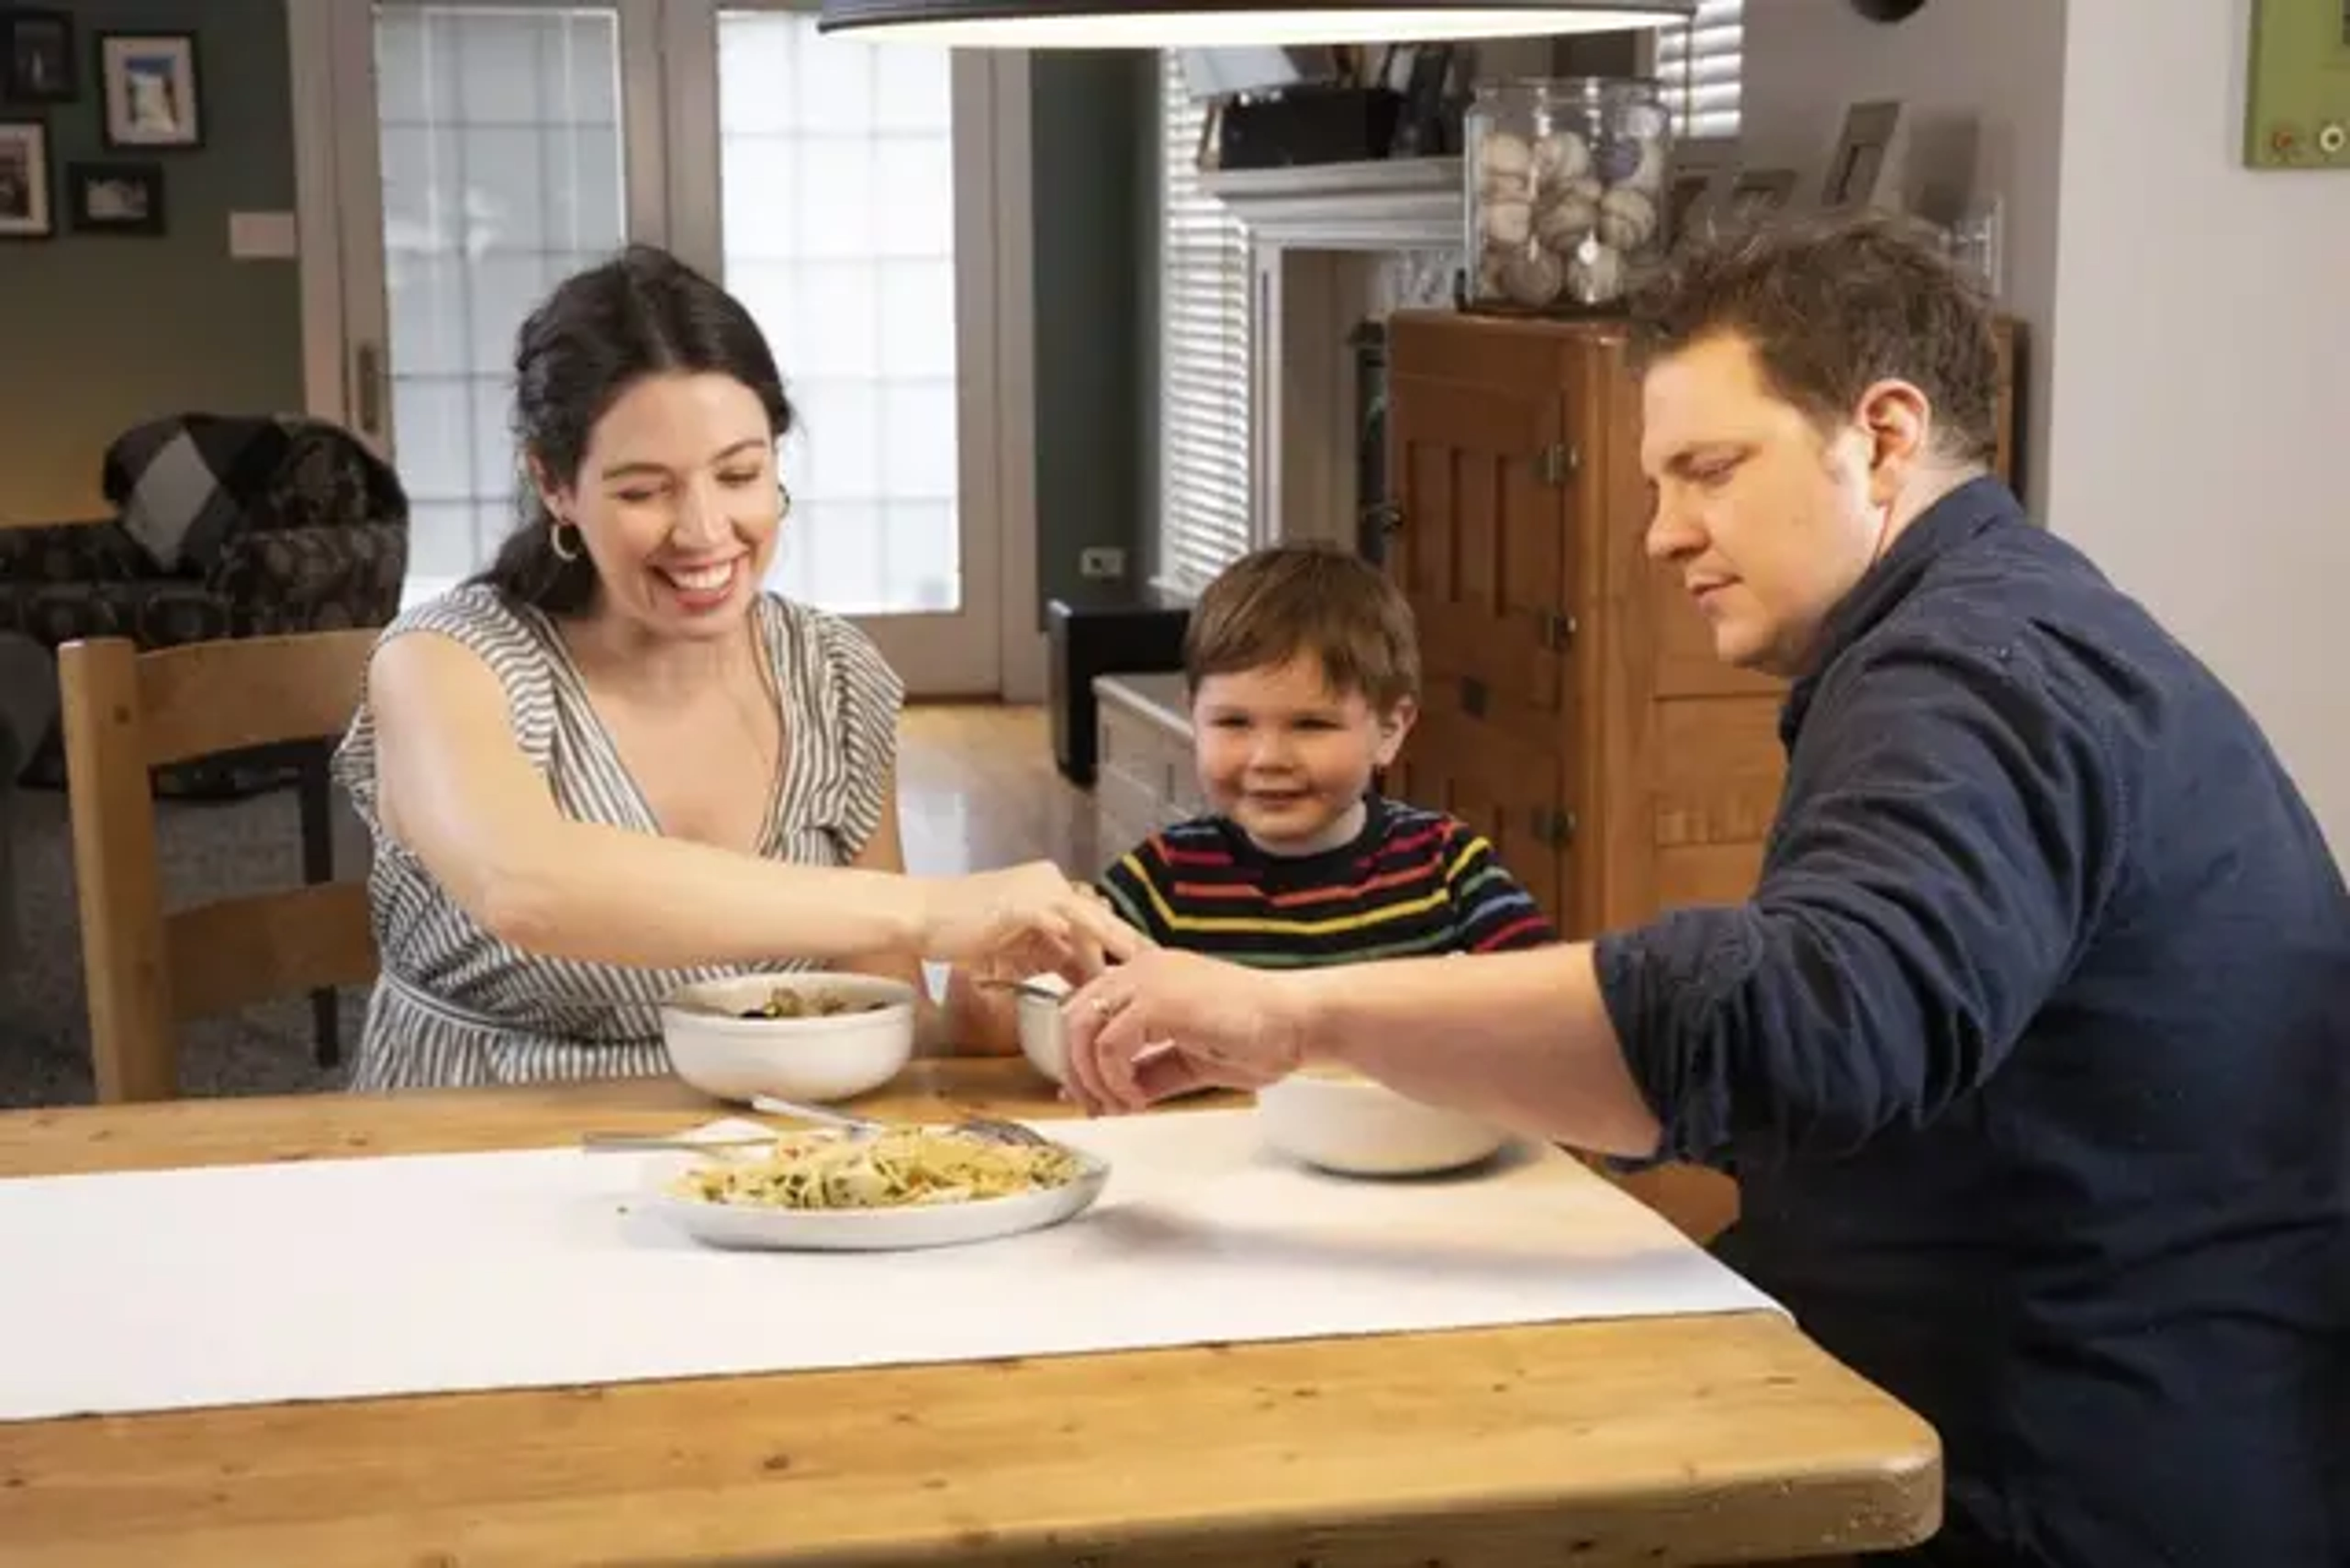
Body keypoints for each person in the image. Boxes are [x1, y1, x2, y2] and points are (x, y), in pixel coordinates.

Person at [1061, 212, 2349, 1566]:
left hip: (2065, 1468)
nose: (1662, 537)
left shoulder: (1968, 674)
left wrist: (1300, 1016)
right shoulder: (2005, 624)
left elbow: (1815, 1024)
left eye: (1710, 472)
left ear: (1885, 437)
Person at [332, 245, 1131, 1090]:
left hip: (763, 1151)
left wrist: (976, 1009)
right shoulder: (443, 661)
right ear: (555, 482)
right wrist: (938, 910)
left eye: (740, 473)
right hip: (469, 1150)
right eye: (646, 491)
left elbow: (876, 1007)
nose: (707, 531)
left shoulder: (832, 674)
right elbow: (523, 884)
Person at [949, 544, 1553, 1051]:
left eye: (1311, 726)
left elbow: (1551, 1007)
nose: (1268, 758)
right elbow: (1017, 1029)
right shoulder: (1164, 882)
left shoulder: (1449, 867)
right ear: (1195, 719)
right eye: (1234, 724)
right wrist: (995, 969)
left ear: (1390, 730)